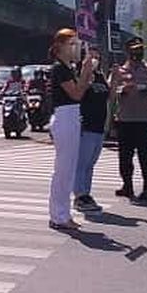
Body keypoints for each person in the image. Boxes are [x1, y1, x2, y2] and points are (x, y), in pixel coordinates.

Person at [48, 29, 97, 230]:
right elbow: (76, 94)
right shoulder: (59, 68)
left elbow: (82, 91)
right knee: (63, 169)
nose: (76, 48)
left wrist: (86, 71)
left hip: (72, 115)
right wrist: (86, 70)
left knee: (68, 169)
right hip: (65, 115)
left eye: (77, 44)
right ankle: (59, 215)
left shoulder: (69, 68)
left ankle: (62, 213)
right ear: (59, 47)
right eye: (72, 44)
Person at [111, 38, 147, 202]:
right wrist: (122, 90)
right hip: (125, 119)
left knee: (145, 156)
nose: (137, 53)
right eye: (134, 50)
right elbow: (111, 92)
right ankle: (127, 186)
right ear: (127, 52)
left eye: (139, 50)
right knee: (125, 156)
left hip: (144, 119)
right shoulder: (119, 71)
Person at [73, 47, 110, 214]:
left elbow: (108, 96)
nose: (95, 58)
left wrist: (115, 79)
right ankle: (79, 196)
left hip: (99, 126)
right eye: (91, 55)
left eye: (97, 55)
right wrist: (85, 73)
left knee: (90, 164)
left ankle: (86, 194)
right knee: (81, 163)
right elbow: (77, 94)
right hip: (85, 125)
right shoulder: (79, 75)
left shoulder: (100, 76)